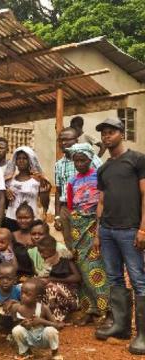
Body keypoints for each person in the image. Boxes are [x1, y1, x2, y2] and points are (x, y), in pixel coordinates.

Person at [93, 118, 145, 355]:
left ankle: (142, 334)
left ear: (121, 133)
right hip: (108, 230)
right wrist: (97, 232)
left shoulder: (137, 160)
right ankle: (121, 326)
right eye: (104, 133)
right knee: (114, 278)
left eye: (111, 132)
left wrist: (143, 229)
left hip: (130, 230)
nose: (106, 136)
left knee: (138, 280)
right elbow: (101, 202)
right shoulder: (103, 168)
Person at [66, 143, 110, 326]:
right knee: (82, 271)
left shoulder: (98, 176)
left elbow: (103, 203)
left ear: (90, 159)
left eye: (82, 160)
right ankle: (89, 310)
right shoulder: (72, 181)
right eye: (76, 160)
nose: (79, 163)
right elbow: (69, 206)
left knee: (95, 268)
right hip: (78, 229)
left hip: (94, 226)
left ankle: (106, 310)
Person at [54, 127, 102, 250]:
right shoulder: (59, 164)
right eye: (60, 140)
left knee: (90, 245)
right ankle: (75, 269)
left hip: (89, 210)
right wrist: (57, 216)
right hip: (66, 208)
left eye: (67, 139)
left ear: (76, 140)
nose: (63, 143)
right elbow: (58, 191)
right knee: (71, 245)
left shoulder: (92, 159)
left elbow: (103, 182)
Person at [9, 278, 64, 360]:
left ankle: (55, 352)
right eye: (22, 293)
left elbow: (57, 326)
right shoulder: (19, 308)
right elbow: (15, 326)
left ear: (37, 298)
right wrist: (23, 324)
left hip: (43, 339)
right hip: (29, 338)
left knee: (51, 330)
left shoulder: (43, 308)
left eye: (27, 294)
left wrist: (41, 321)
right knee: (16, 330)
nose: (23, 296)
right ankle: (26, 352)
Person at [4, 146, 50, 232]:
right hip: (11, 218)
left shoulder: (38, 180)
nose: (21, 160)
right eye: (18, 158)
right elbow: (4, 202)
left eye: (25, 158)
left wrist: (44, 193)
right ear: (15, 162)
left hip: (31, 220)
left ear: (30, 161)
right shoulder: (9, 181)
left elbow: (45, 204)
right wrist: (5, 192)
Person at [36, 236, 80, 322]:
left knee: (51, 286)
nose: (41, 254)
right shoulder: (47, 263)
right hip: (56, 298)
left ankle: (55, 320)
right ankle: (49, 316)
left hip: (71, 299)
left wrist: (53, 279)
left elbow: (77, 278)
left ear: (52, 250)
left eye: (43, 252)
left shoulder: (64, 258)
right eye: (39, 252)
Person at [11, 203, 35, 277]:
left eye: (26, 218)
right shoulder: (12, 236)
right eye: (19, 218)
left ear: (33, 217)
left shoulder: (38, 235)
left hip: (36, 275)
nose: (23, 221)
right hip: (16, 276)